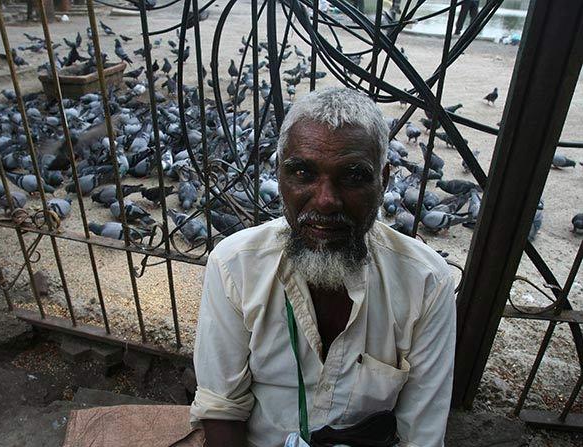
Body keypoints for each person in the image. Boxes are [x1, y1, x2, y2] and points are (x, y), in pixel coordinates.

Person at [190, 87, 456, 447]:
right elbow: (222, 410)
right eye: (302, 172)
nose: (327, 201)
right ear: (280, 177)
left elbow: (421, 436)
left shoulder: (427, 283)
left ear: (384, 181)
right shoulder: (234, 265)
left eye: (353, 176)